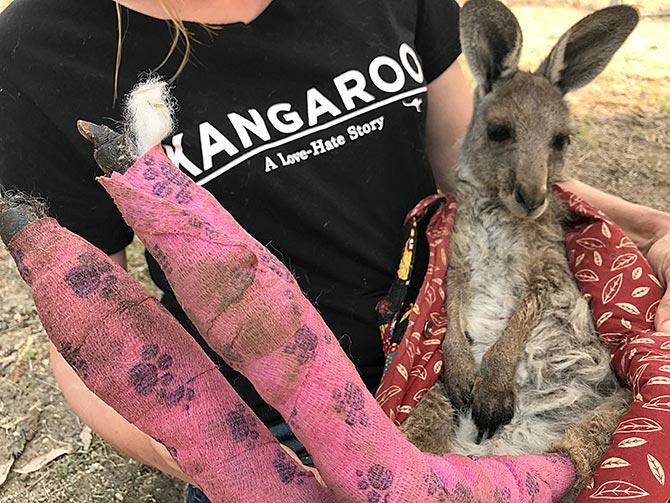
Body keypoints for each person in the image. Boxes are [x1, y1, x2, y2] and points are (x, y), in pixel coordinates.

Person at [0, 1, 668, 502]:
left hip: (448, 362)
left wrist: (648, 230)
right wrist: (239, 460)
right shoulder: (37, 49)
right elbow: (86, 329)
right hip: (281, 433)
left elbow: (474, 169)